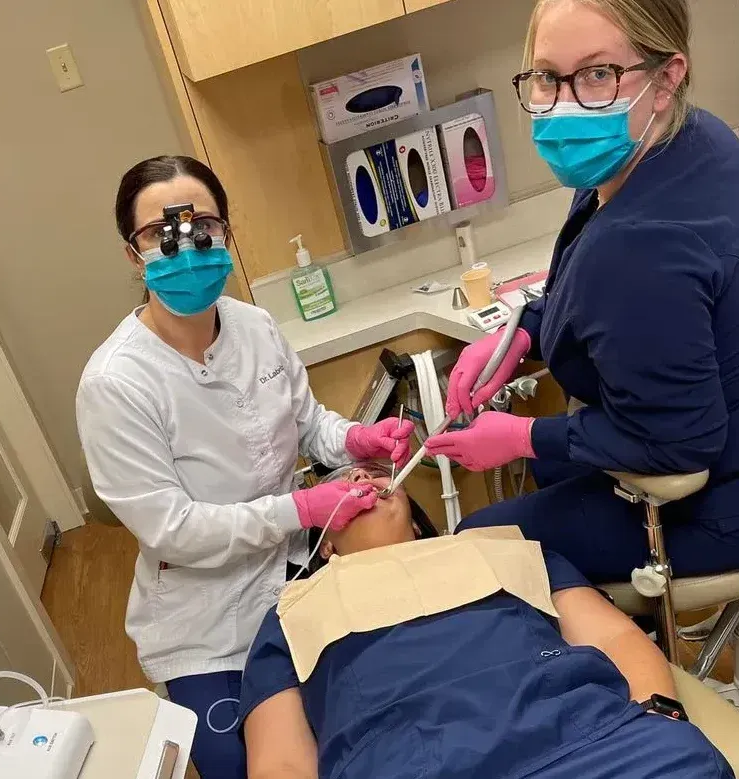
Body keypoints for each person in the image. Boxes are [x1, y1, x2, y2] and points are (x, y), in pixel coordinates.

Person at [75, 155, 414, 779]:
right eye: (161, 233)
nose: (186, 245)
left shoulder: (255, 326)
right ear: (133, 252)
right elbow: (173, 529)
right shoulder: (117, 383)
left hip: (298, 573)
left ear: (227, 232)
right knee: (246, 766)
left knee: (364, 736)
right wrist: (304, 508)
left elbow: (308, 423)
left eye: (202, 223)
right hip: (205, 623)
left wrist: (358, 438)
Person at [427, 0, 739, 584]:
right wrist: (520, 335)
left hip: (713, 498)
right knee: (551, 477)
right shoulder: (672, 147)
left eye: (598, 75)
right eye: (547, 76)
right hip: (693, 438)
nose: (563, 104)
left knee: (477, 547)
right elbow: (589, 295)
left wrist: (521, 436)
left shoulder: (638, 245)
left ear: (667, 78)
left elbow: (681, 444)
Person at [239, 468, 733, 779]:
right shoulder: (290, 612)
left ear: (414, 517)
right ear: (325, 544)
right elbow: (280, 761)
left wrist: (657, 712)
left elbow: (610, 635)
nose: (361, 482)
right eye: (341, 486)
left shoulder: (505, 549)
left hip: (592, 741)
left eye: (371, 472)